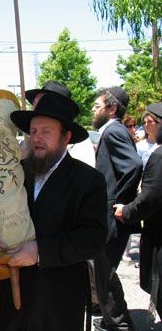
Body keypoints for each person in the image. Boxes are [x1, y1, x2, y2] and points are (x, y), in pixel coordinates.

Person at [0, 92, 108, 331]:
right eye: (32, 132)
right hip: (6, 303)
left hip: (56, 302)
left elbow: (93, 238)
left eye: (46, 131)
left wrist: (40, 251)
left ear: (66, 137)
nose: (37, 139)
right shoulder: (13, 171)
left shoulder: (87, 180)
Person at [91, 86, 143, 331]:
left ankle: (120, 324)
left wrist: (119, 202)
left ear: (112, 109)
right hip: (109, 214)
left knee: (105, 272)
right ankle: (115, 319)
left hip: (112, 216)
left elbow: (133, 166)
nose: (93, 109)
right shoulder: (112, 131)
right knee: (103, 272)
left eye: (97, 105)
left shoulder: (113, 131)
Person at [113, 102, 162, 320]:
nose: (145, 125)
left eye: (151, 121)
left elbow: (150, 198)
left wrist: (127, 211)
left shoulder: (159, 157)